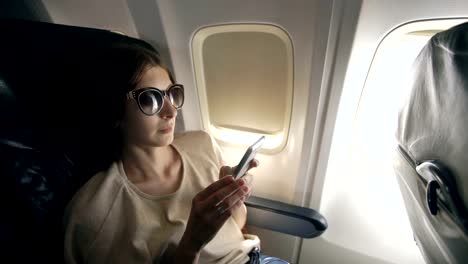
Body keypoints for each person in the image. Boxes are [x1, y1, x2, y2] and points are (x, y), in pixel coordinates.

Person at [63, 43, 288, 264]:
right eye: (151, 99)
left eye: (172, 94)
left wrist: (233, 201)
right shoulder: (94, 212)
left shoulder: (202, 144)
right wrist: (192, 242)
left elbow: (237, 227)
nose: (171, 111)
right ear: (114, 109)